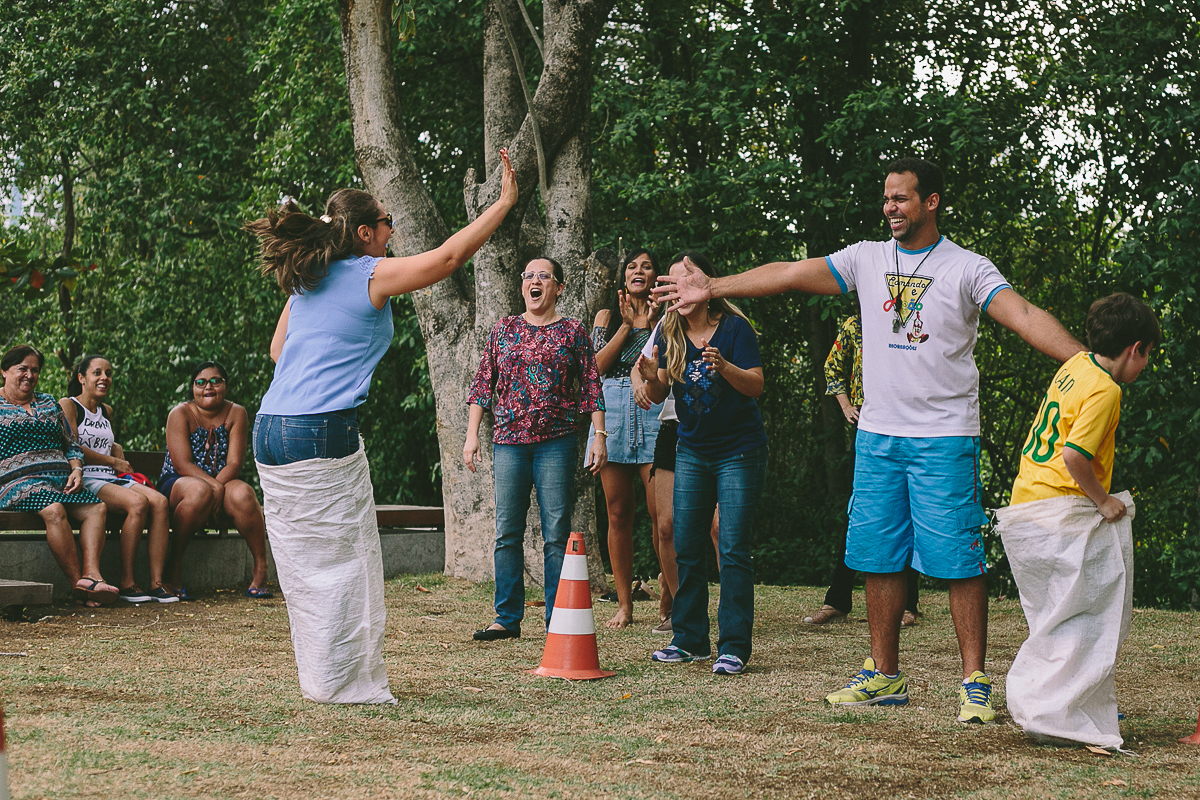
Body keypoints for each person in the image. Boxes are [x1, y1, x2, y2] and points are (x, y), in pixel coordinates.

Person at [654, 158, 1086, 719]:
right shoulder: (866, 258)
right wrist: (715, 285)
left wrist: (1085, 361)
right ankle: (884, 676)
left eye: (902, 198)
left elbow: (1024, 314)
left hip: (943, 437)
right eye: (886, 198)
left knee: (957, 558)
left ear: (930, 202)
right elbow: (790, 272)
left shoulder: (968, 268)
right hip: (878, 437)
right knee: (878, 557)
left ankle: (974, 680)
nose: (890, 208)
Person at [248, 149, 517, 703]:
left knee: (306, 565)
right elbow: (447, 259)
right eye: (389, 223)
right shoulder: (369, 273)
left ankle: (322, 678)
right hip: (318, 428)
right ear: (367, 233)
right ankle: (343, 685)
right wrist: (504, 203)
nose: (393, 232)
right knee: (346, 560)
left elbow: (278, 352)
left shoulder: (307, 281)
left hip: (270, 427)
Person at [996, 293, 1159, 749]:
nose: (1144, 366)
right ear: (1135, 349)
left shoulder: (1077, 365)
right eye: (1147, 356)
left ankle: (1059, 704)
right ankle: (1054, 712)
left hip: (1026, 501)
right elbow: (1075, 456)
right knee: (1084, 612)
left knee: (1055, 613)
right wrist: (1104, 501)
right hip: (1058, 510)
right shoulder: (1108, 389)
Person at [637, 251, 768, 676]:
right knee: (686, 544)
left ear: (708, 285)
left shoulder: (735, 329)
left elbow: (756, 386)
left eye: (687, 278)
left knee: (731, 547)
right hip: (691, 449)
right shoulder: (668, 332)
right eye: (672, 281)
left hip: (739, 452)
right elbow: (657, 397)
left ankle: (733, 646)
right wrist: (654, 374)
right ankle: (689, 639)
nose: (679, 287)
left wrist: (725, 366)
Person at [465, 256, 607, 641]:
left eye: (544, 276)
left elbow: (592, 386)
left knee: (556, 534)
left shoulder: (573, 331)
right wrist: (472, 434)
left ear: (558, 288)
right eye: (529, 275)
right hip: (509, 442)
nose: (535, 280)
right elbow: (483, 384)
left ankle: (557, 618)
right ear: (522, 286)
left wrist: (598, 435)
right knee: (506, 532)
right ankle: (507, 618)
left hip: (556, 444)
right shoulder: (504, 329)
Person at [805, 314, 920, 627]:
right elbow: (832, 366)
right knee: (860, 514)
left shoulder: (912, 322)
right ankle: (837, 600)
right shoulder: (855, 324)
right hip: (869, 429)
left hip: (913, 427)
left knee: (907, 514)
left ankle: (909, 604)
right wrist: (844, 406)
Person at [0, 345, 116, 607]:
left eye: (35, 370)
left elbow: (71, 444)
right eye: (22, 369)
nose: (29, 375)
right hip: (17, 484)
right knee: (54, 510)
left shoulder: (48, 402)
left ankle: (92, 576)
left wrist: (76, 469)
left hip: (61, 480)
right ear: (4, 371)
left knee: (97, 508)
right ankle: (80, 586)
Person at [61, 354, 177, 603]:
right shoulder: (69, 405)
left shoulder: (106, 411)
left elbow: (104, 441)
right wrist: (114, 460)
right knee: (137, 503)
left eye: (109, 373)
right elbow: (72, 447)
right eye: (97, 373)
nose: (104, 378)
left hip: (112, 478)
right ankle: (127, 582)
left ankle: (156, 583)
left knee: (159, 502)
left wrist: (116, 448)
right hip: (87, 477)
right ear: (82, 378)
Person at [589, 248, 663, 629]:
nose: (639, 271)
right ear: (623, 277)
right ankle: (624, 605)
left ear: (656, 276)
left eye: (646, 266)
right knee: (618, 512)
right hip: (612, 409)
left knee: (659, 514)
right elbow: (595, 370)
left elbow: (662, 364)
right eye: (632, 266)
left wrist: (647, 325)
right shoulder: (605, 317)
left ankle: (669, 600)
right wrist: (626, 326)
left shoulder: (667, 315)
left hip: (652, 406)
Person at [634, 324, 721, 635]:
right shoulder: (666, 326)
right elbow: (643, 371)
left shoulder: (727, 322)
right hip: (673, 429)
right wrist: (642, 383)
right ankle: (683, 610)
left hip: (718, 431)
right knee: (666, 526)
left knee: (718, 527)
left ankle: (730, 611)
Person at [158, 361, 270, 601]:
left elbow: (234, 464)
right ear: (192, 388)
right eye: (200, 382)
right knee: (199, 491)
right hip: (180, 482)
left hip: (224, 480)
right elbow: (182, 464)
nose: (208, 387)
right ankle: (174, 566)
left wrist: (218, 487)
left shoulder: (236, 413)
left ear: (225, 386)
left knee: (244, 494)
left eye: (215, 381)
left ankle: (261, 567)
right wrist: (214, 487)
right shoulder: (180, 413)